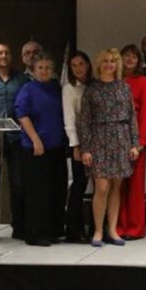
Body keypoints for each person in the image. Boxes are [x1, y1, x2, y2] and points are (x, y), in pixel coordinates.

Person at [78, 48, 141, 247]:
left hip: (121, 139)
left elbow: (132, 117)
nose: (109, 65)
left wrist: (134, 143)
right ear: (99, 64)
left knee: (115, 187)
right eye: (105, 61)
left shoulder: (123, 87)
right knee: (102, 187)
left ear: (117, 65)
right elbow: (84, 121)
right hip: (99, 140)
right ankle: (98, 231)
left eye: (112, 61)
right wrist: (85, 148)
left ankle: (112, 230)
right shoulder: (92, 89)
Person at [15, 51, 68, 246]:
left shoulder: (56, 88)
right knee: (38, 193)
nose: (44, 71)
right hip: (35, 148)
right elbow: (22, 115)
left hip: (57, 147)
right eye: (40, 68)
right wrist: (36, 139)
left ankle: (53, 230)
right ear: (33, 70)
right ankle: (35, 234)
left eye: (47, 68)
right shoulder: (28, 89)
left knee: (56, 190)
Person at [0, 42, 30, 240]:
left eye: (7, 53)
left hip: (17, 138)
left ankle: (19, 226)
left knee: (18, 183)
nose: (3, 56)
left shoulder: (23, 80)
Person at [116, 44, 146, 240]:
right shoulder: (114, 80)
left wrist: (140, 141)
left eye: (134, 57)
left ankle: (135, 228)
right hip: (115, 140)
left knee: (135, 186)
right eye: (126, 56)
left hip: (136, 141)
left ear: (139, 61)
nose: (130, 60)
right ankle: (118, 226)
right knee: (118, 186)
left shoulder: (144, 82)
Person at [62, 50, 92, 243]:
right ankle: (74, 230)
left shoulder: (95, 85)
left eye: (81, 64)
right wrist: (76, 145)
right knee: (79, 185)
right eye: (74, 65)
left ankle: (97, 228)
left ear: (88, 65)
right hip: (79, 143)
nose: (78, 68)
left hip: (98, 142)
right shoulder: (69, 89)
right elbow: (69, 119)